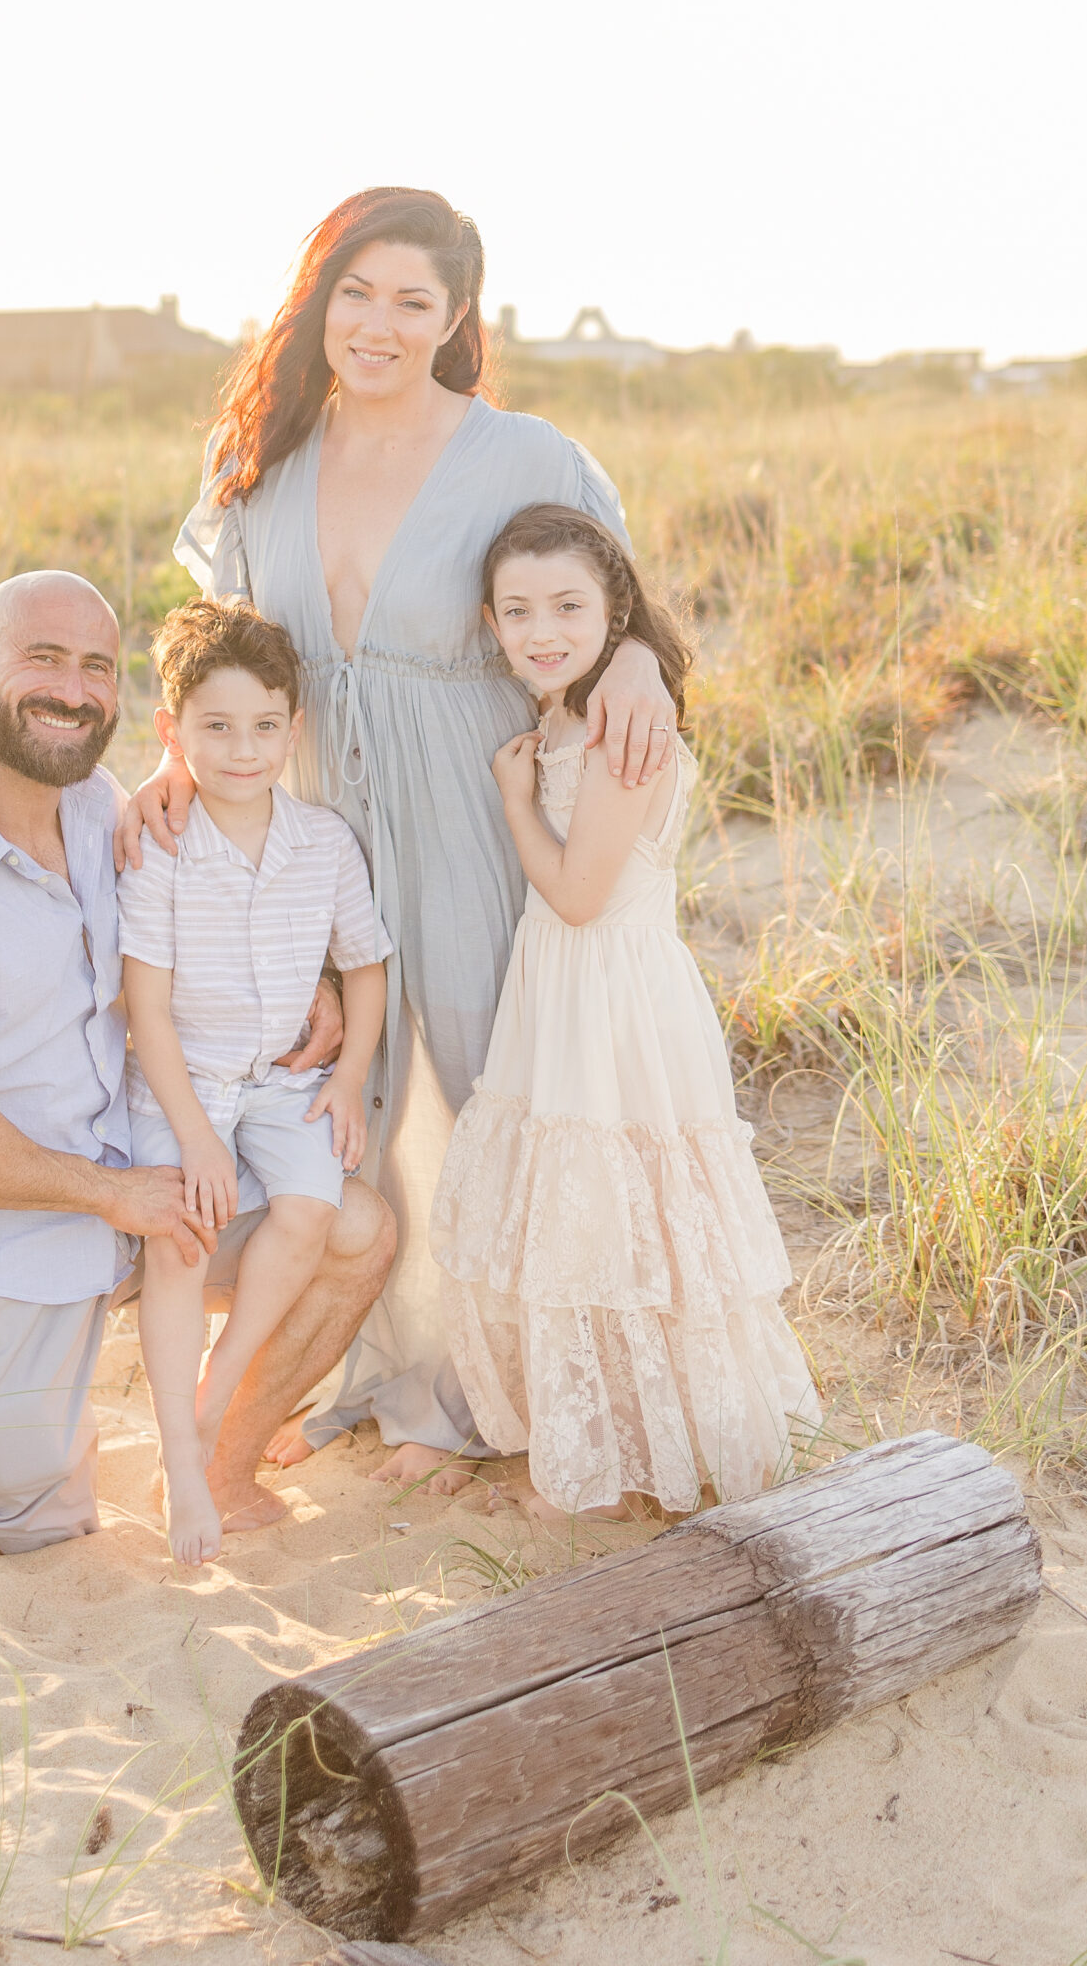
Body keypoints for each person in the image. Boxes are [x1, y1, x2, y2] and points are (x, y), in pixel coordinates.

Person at [124, 187, 680, 1492]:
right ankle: (390, 1368)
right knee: (350, 1104)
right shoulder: (260, 464)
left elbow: (605, 601)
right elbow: (233, 653)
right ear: (316, 299)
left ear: (454, 319)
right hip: (318, 820)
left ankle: (531, 1381)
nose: (376, 324)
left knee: (500, 1086)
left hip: (477, 812)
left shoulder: (522, 453)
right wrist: (172, 758)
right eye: (353, 293)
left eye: (410, 302)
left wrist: (643, 670)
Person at [0, 569, 395, 1552]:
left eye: (95, 667)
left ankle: (211, 1462)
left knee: (354, 1227)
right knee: (33, 1515)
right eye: (42, 658)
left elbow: (212, 911)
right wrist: (115, 1198)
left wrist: (313, 992)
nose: (71, 690)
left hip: (142, 1175)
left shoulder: (102, 808)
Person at [431, 506, 820, 1517]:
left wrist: (514, 801)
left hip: (613, 998)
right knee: (587, 1215)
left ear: (617, 613)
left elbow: (578, 893)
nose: (542, 627)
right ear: (490, 621)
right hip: (563, 991)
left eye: (568, 604)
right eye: (518, 610)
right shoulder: (568, 711)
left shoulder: (615, 729)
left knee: (633, 1215)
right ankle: (599, 1442)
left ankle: (665, 1449)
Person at [121, 598, 389, 1566]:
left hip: (279, 1081)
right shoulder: (160, 847)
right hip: (181, 1081)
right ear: (171, 732)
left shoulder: (320, 843)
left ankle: (206, 1402)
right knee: (184, 1232)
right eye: (217, 728)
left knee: (313, 1203)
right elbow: (147, 1011)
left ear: (294, 727)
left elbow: (365, 964)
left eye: (266, 727)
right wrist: (193, 1134)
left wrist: (352, 1072)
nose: (244, 750)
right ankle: (182, 1463)